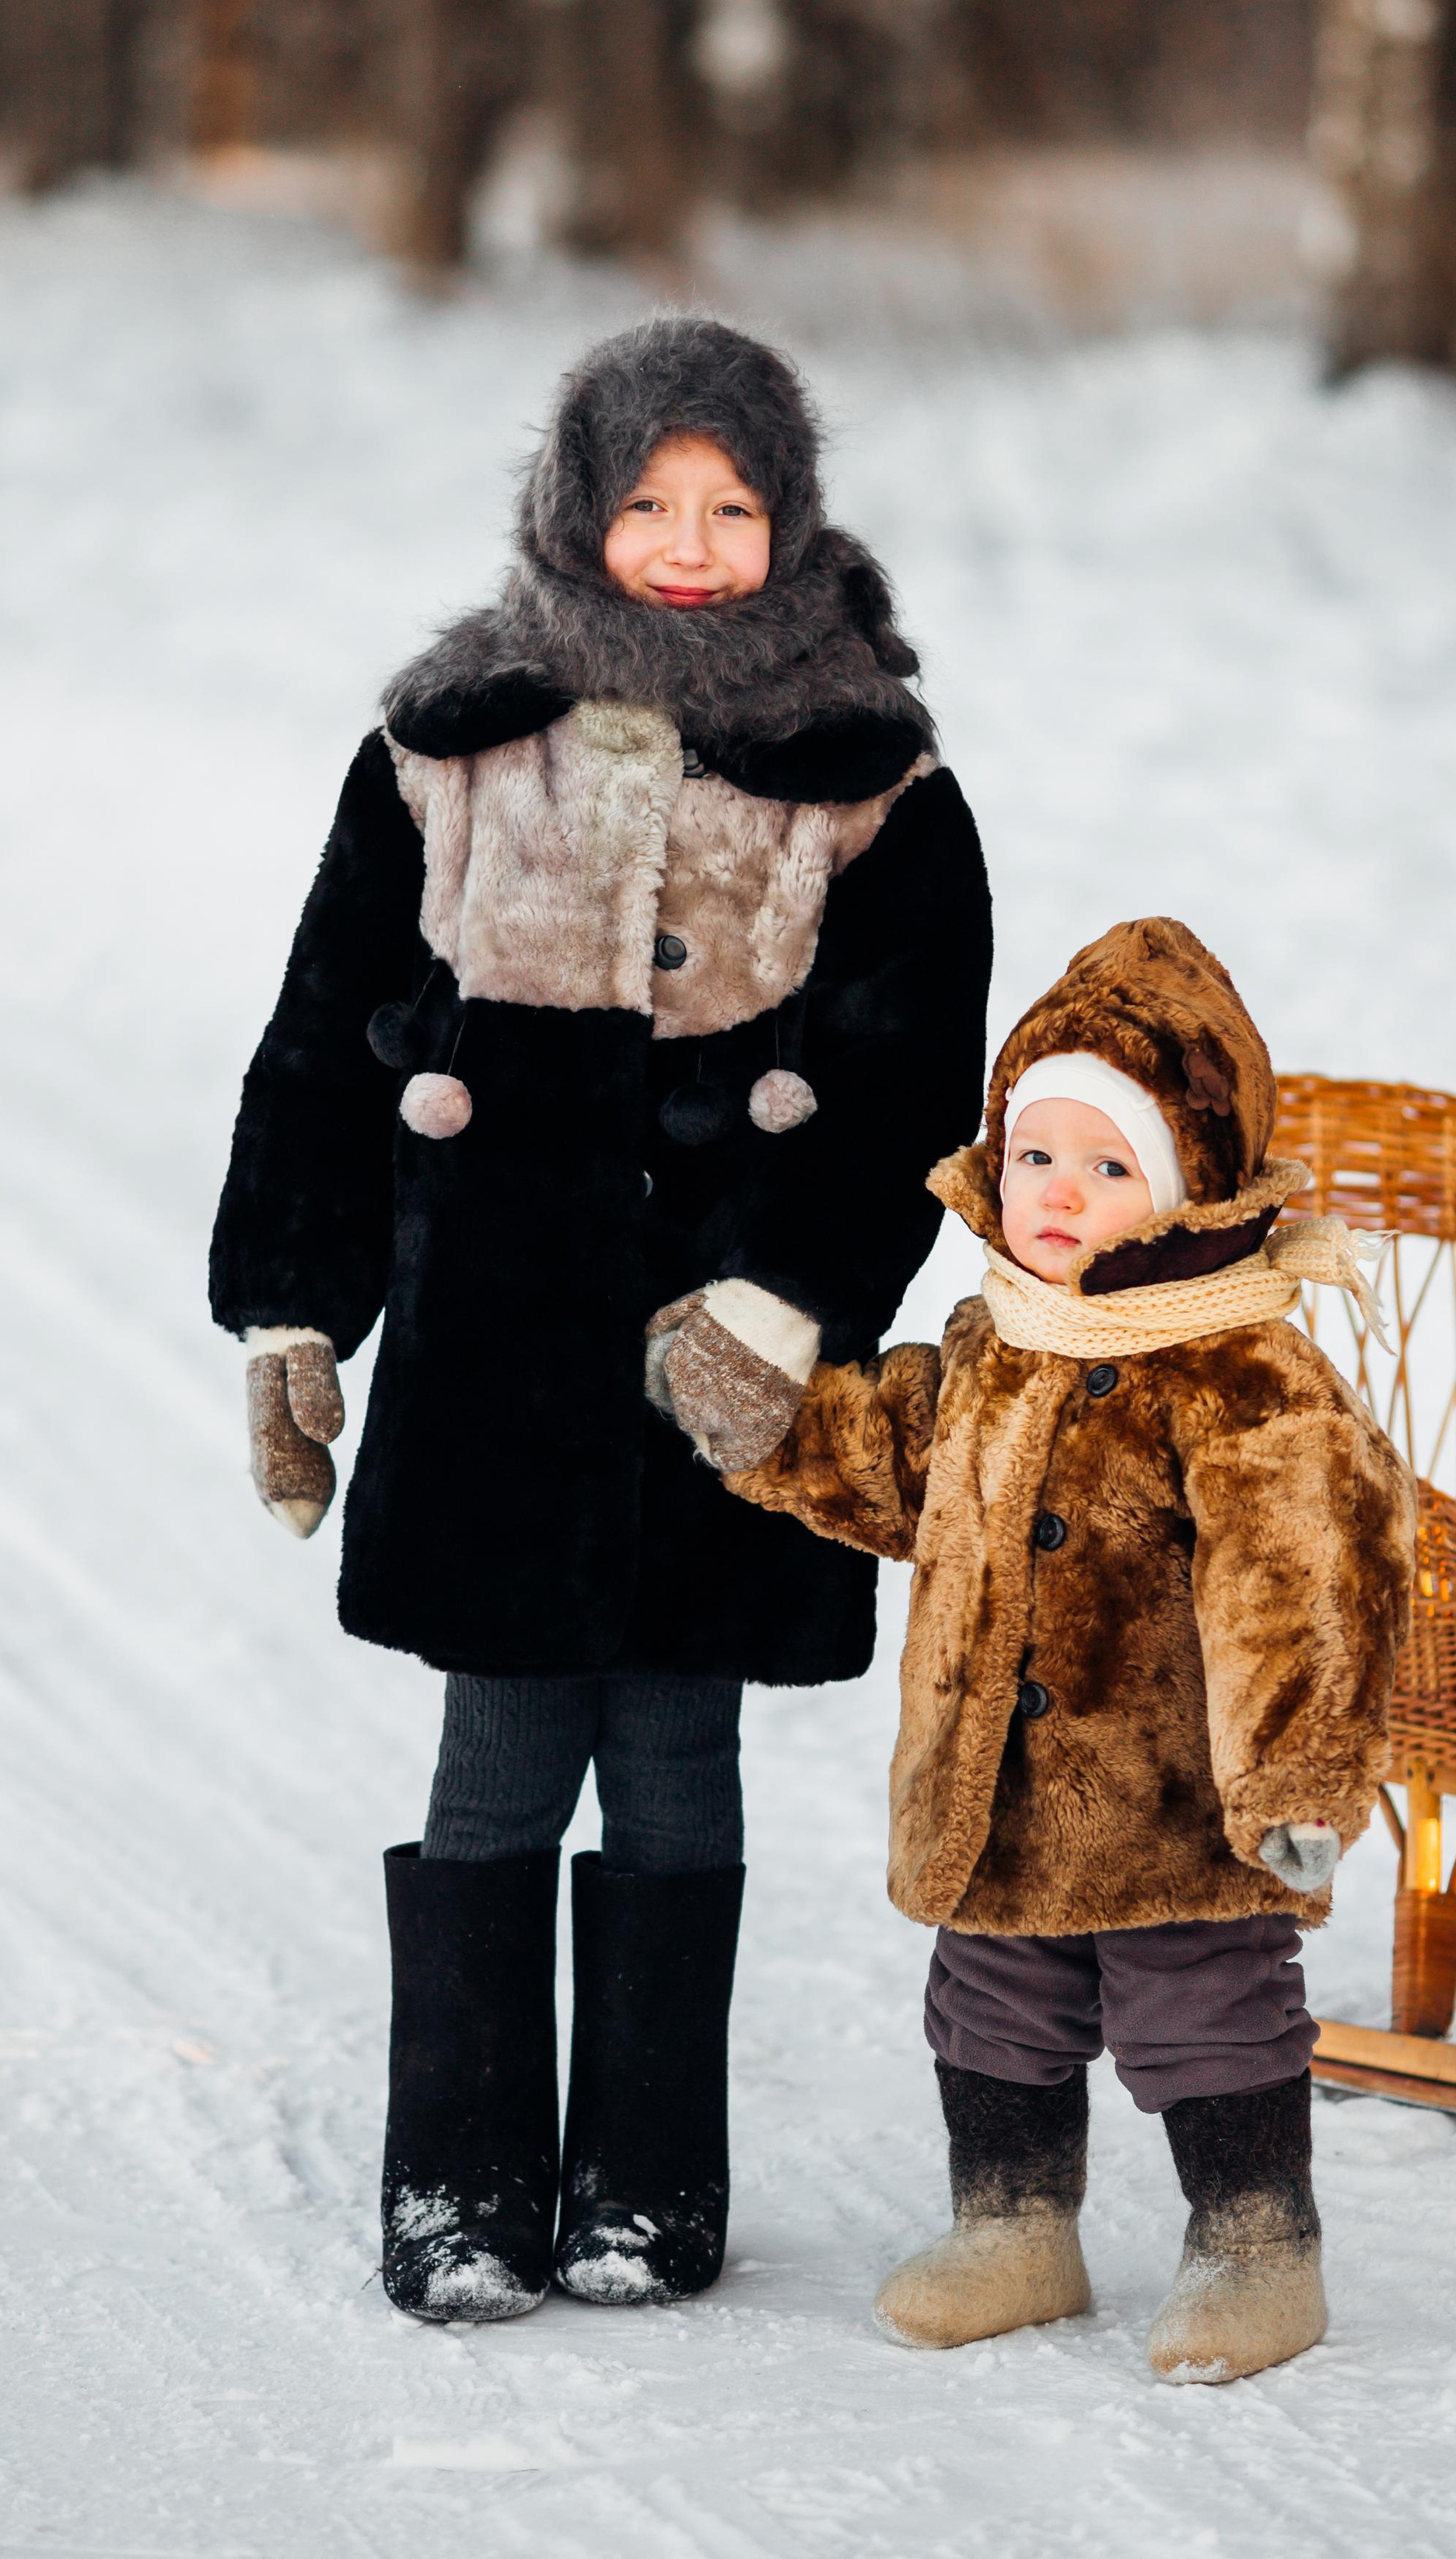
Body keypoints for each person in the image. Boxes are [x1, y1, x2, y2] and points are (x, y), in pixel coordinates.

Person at [209, 316, 992, 2323]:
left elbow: (912, 1087)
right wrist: (294, 1315)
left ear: (789, 519)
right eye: (648, 500)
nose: (687, 538)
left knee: (672, 1751)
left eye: (730, 507)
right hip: (493, 1343)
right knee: (497, 1750)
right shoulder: (456, 735)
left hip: (719, 1365)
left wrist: (778, 1303)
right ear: (576, 503)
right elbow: (317, 1041)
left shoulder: (868, 778)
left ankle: (644, 2186)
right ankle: (458, 2181)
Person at [656, 916, 1415, 2382]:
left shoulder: (1244, 1373)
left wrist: (1299, 1781)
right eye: (1036, 1156)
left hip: (1179, 1814)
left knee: (1205, 2016)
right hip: (992, 1793)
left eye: (1110, 1165)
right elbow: (891, 1459)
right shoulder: (996, 1338)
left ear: (1188, 1184)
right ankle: (1015, 2224)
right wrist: (769, 1421)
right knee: (994, 2007)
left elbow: (1315, 1583)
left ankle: (1258, 2243)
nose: (1059, 1193)